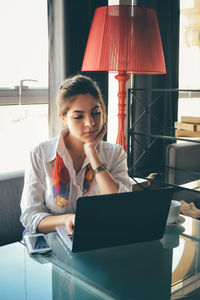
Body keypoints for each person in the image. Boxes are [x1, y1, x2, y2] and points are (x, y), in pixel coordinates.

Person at [20, 74, 134, 235]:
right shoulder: (40, 154)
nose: (90, 123)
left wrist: (93, 154)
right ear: (63, 118)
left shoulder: (115, 154)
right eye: (78, 116)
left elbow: (120, 206)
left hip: (99, 238)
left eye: (96, 113)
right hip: (52, 242)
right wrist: (68, 219)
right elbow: (30, 215)